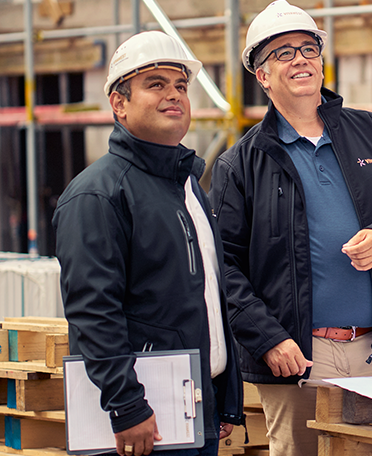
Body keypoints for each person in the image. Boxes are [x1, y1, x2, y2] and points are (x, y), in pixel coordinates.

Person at [207, 1, 372, 455]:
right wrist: (269, 339)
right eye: (282, 53)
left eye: (307, 48)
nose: (299, 59)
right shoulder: (241, 164)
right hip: (298, 357)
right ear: (261, 74)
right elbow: (223, 269)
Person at [53, 31, 244, 456]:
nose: (173, 95)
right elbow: (93, 311)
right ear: (118, 104)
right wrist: (126, 407)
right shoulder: (98, 194)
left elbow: (211, 295)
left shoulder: (189, 184)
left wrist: (225, 399)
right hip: (147, 418)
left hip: (195, 404)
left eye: (180, 86)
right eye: (155, 84)